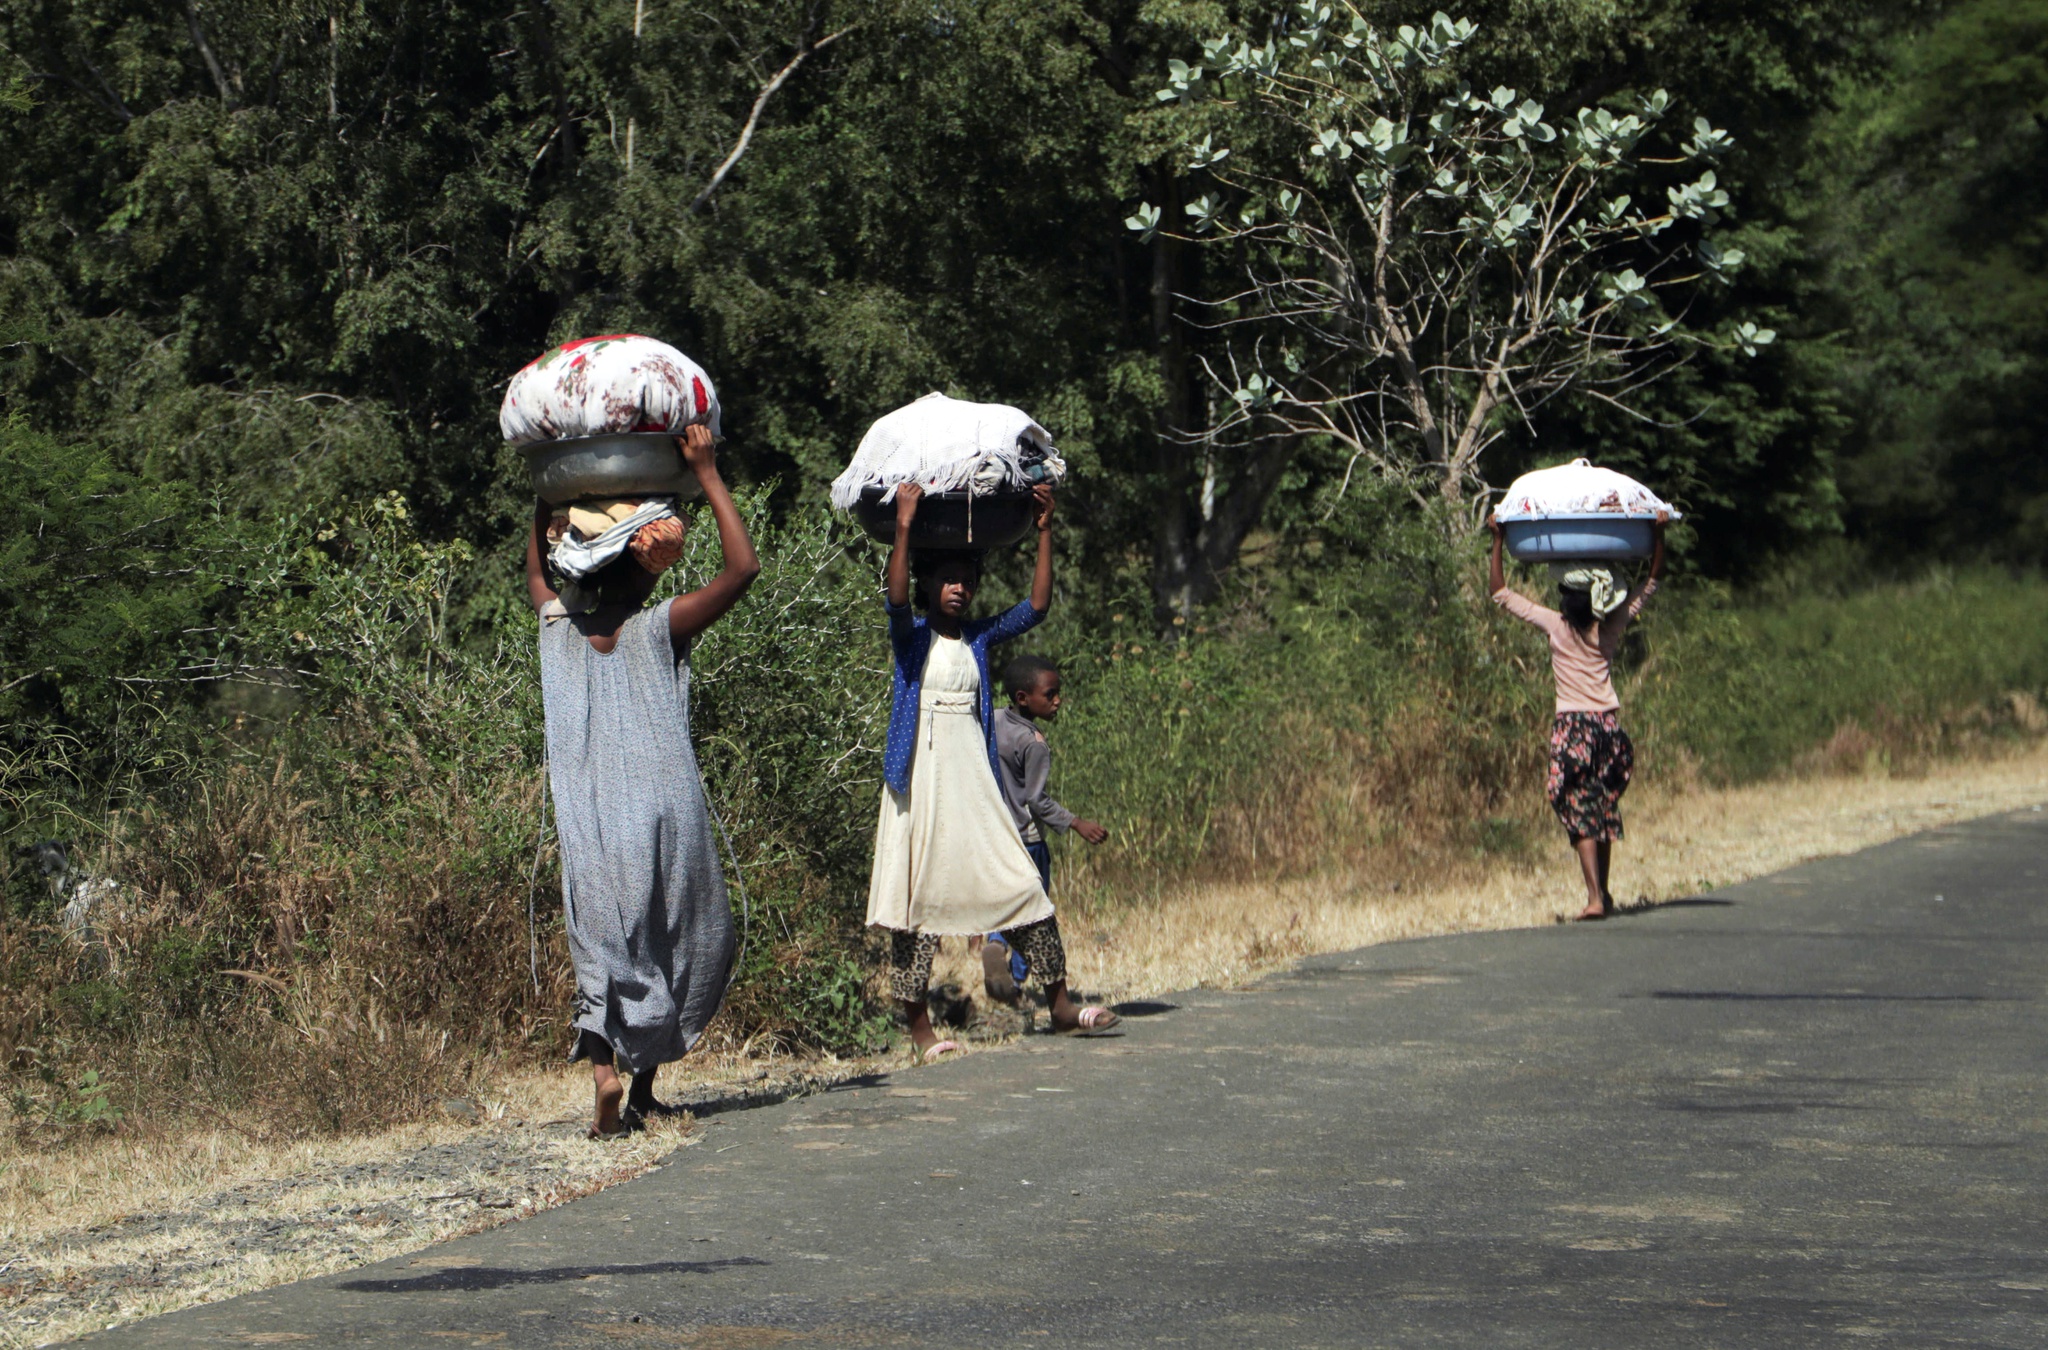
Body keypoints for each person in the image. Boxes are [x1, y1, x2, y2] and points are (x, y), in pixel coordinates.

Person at [525, 423, 760, 1137]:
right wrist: (708, 471)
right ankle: (644, 1087)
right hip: (664, 807)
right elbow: (743, 569)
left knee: (601, 943)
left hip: (588, 817)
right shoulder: (662, 626)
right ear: (643, 566)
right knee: (675, 932)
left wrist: (550, 486)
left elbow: (536, 566)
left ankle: (606, 1072)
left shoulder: (553, 623)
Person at [867, 482, 1121, 1060]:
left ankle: (1059, 1006)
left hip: (973, 781)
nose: (960, 589)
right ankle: (921, 1032)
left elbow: (1036, 607)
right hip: (920, 782)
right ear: (931, 585)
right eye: (949, 580)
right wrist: (904, 523)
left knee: (1022, 880)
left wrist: (1045, 529)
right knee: (917, 902)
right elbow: (895, 598)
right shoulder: (912, 640)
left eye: (968, 581)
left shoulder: (979, 638)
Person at [1487, 511, 1667, 921]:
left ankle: (1595, 898)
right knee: (1600, 809)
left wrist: (1498, 539)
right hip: (1608, 728)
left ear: (1566, 601)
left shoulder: (1555, 625)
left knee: (1576, 807)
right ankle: (1602, 892)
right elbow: (1651, 583)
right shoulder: (1611, 626)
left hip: (1574, 730)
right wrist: (1658, 535)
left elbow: (1499, 591)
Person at [982, 654, 1109, 1006]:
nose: (1058, 701)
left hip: (997, 835)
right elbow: (1036, 801)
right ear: (1024, 698)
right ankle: (1019, 985)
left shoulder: (992, 723)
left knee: (1004, 903)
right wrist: (1076, 822)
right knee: (1036, 911)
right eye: (1050, 694)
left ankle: (995, 942)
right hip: (1029, 840)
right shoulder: (1034, 743)